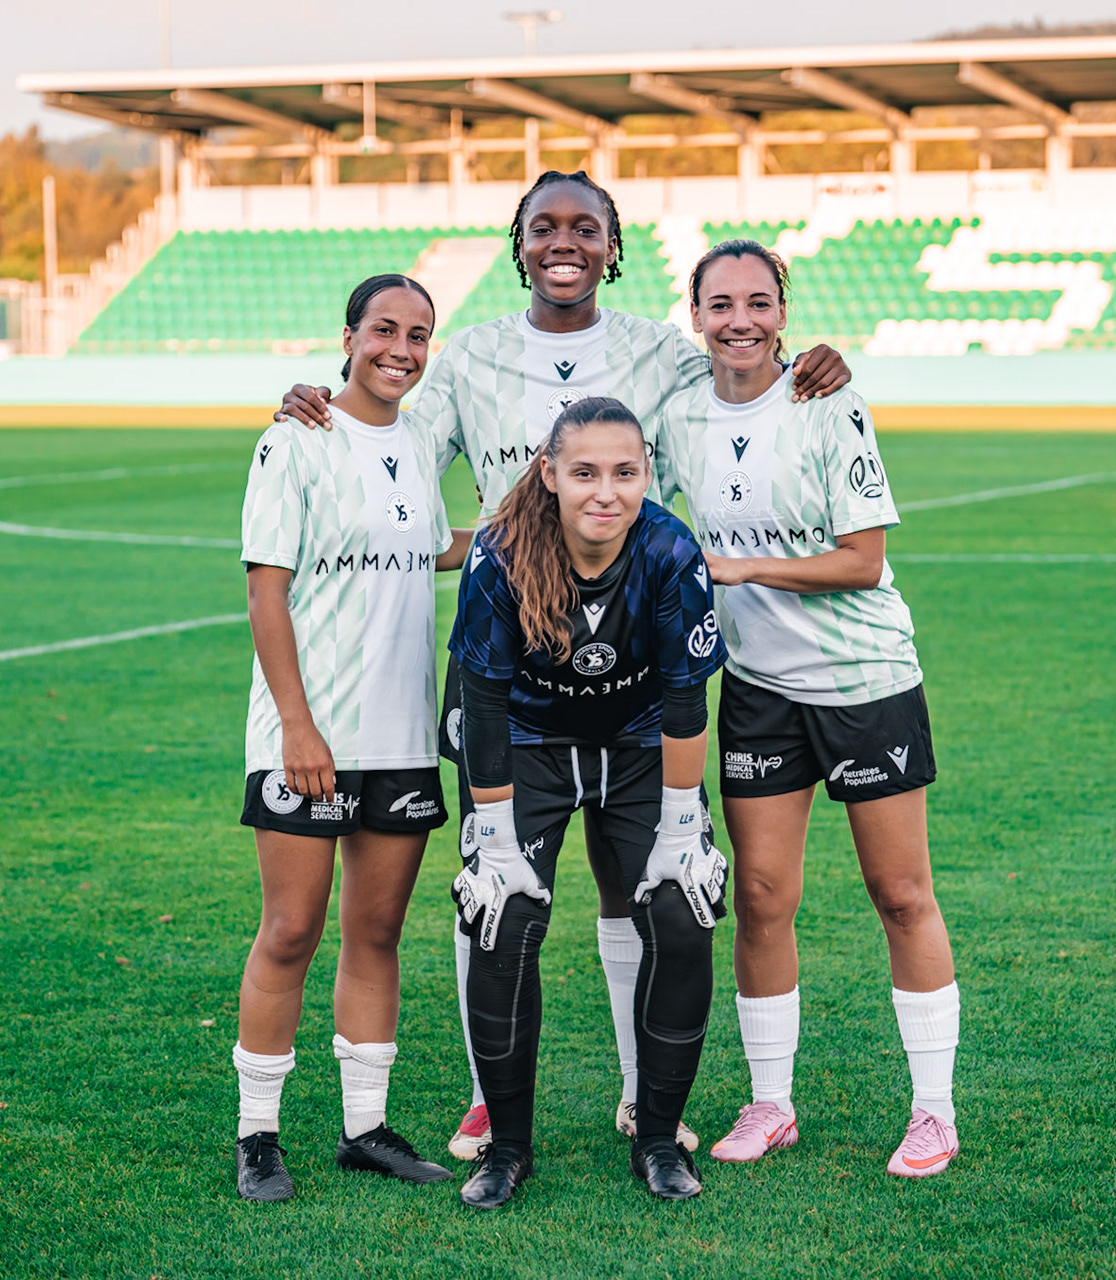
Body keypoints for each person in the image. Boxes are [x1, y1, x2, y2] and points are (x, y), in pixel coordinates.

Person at [275, 172, 852, 1161]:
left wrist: (808, 363)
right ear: (518, 241)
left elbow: (736, 374)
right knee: (493, 879)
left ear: (614, 244)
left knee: (642, 887)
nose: (565, 242)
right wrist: (322, 403)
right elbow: (396, 453)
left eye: (586, 226)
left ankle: (641, 1092)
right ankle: (488, 1097)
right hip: (507, 655)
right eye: (545, 226)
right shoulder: (471, 357)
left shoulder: (658, 351)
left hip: (632, 649)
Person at [657, 241, 964, 1178]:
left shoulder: (829, 401)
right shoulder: (676, 414)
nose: (740, 319)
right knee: (759, 897)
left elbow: (862, 559)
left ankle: (934, 1112)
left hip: (864, 680)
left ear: (782, 313)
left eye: (758, 302)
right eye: (721, 304)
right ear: (697, 314)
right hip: (757, 690)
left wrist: (740, 567)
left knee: (901, 893)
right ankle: (771, 1102)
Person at [447, 396, 727, 1208]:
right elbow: (485, 703)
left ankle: (657, 1138)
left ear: (647, 474)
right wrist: (494, 841)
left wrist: (683, 830)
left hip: (641, 740)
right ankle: (505, 1149)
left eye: (625, 472)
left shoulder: (671, 550)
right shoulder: (499, 554)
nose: (606, 492)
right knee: (502, 916)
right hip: (527, 741)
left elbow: (684, 700)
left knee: (682, 909)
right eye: (584, 473)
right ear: (549, 475)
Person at [231, 274, 471, 1201]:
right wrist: (296, 723)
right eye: (384, 330)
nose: (400, 350)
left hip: (400, 735)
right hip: (310, 732)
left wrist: (528, 522)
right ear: (349, 335)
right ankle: (258, 1137)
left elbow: (427, 545)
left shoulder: (417, 440)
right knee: (291, 930)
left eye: (418, 335)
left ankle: (364, 1128)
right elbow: (266, 589)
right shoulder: (295, 437)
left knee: (376, 931)